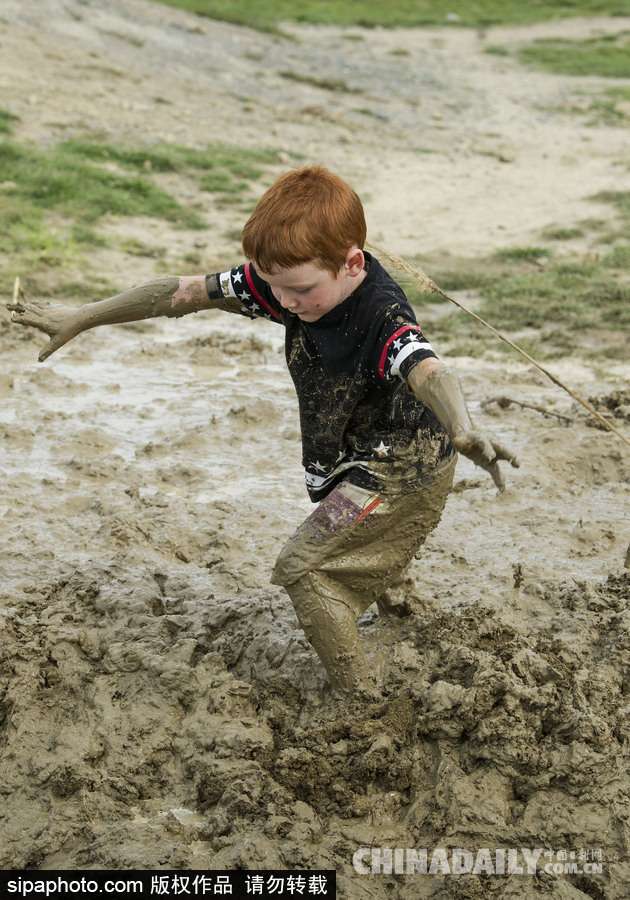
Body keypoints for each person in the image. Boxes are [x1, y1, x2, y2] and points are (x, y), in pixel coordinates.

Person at [8, 165, 519, 696]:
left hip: (400, 471)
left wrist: (463, 426)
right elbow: (181, 293)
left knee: (303, 569)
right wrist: (86, 315)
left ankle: (361, 702)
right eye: (275, 289)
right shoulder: (285, 282)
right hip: (356, 459)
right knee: (343, 539)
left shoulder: (381, 316)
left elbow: (426, 368)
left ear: (351, 263)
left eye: (299, 291)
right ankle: (398, 605)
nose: (286, 304)